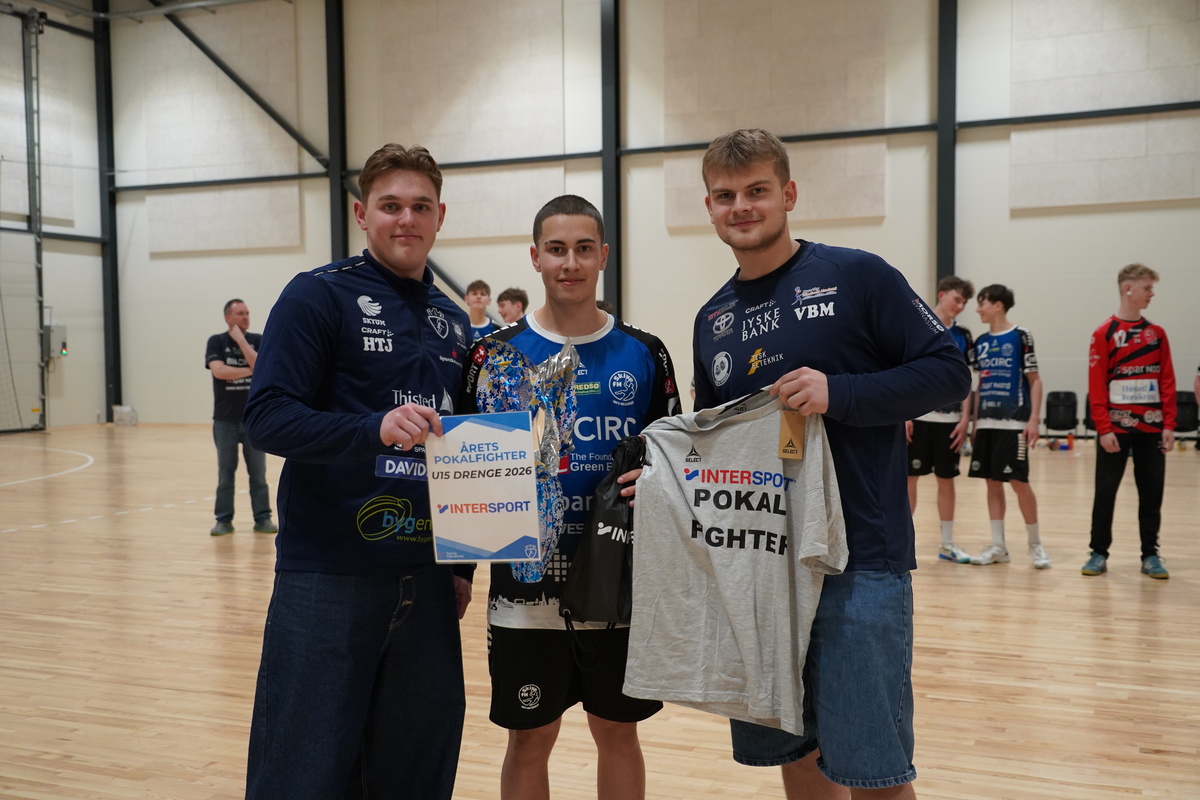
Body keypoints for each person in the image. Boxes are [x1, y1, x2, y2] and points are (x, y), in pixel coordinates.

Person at [675, 128, 970, 799]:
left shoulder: (857, 276)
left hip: (859, 560)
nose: (741, 206)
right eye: (725, 195)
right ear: (709, 207)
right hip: (762, 570)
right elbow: (713, 442)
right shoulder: (712, 319)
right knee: (796, 754)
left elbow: (949, 371)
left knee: (874, 771)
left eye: (756, 190)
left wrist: (842, 393)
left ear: (789, 194)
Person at [242, 144, 474, 799]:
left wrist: (462, 566)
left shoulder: (455, 321)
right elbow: (267, 417)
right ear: (361, 213)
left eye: (421, 207)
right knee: (303, 774)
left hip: (427, 584)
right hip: (329, 577)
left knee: (415, 776)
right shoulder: (318, 295)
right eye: (390, 205)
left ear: (440, 217)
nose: (406, 219)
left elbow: (463, 451)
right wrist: (371, 427)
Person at [461, 195, 680, 800]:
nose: (571, 263)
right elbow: (466, 472)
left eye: (584, 249)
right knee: (529, 739)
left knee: (618, 731)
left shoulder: (645, 352)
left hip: (619, 584)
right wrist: (459, 572)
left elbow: (675, 461)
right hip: (524, 588)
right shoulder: (492, 355)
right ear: (535, 257)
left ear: (603, 256)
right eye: (556, 249)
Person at [1082, 264, 1176, 579]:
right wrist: (1104, 427)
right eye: (1147, 288)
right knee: (1105, 491)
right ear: (1128, 288)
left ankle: (1151, 555)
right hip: (1116, 430)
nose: (1152, 294)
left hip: (1152, 429)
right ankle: (1098, 552)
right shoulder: (1104, 333)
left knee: (1151, 494)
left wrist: (1169, 424)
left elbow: (1166, 380)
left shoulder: (1157, 334)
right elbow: (1096, 384)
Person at [966, 284, 1050, 569]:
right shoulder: (980, 342)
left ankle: (1035, 544)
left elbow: (1034, 380)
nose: (978, 309)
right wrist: (975, 424)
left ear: (997, 305)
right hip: (986, 423)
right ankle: (998, 546)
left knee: (1019, 482)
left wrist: (1034, 419)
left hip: (1014, 423)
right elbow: (978, 385)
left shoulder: (1021, 336)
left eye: (982, 303)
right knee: (992, 483)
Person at [905, 276, 975, 562]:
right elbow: (905, 372)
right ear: (942, 294)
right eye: (957, 299)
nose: (960, 306)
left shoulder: (964, 336)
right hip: (918, 418)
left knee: (947, 480)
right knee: (909, 479)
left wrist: (965, 419)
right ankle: (905, 542)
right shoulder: (915, 324)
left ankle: (947, 543)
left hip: (950, 421)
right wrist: (903, 413)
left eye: (964, 302)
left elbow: (967, 379)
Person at [204, 299, 275, 536]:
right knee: (225, 475)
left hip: (254, 420)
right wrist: (251, 371)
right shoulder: (216, 341)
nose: (246, 317)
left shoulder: (257, 340)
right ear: (228, 318)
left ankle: (263, 519)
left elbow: (261, 364)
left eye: (247, 313)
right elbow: (219, 371)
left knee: (258, 475)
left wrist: (242, 342)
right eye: (240, 313)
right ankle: (223, 520)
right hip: (225, 421)